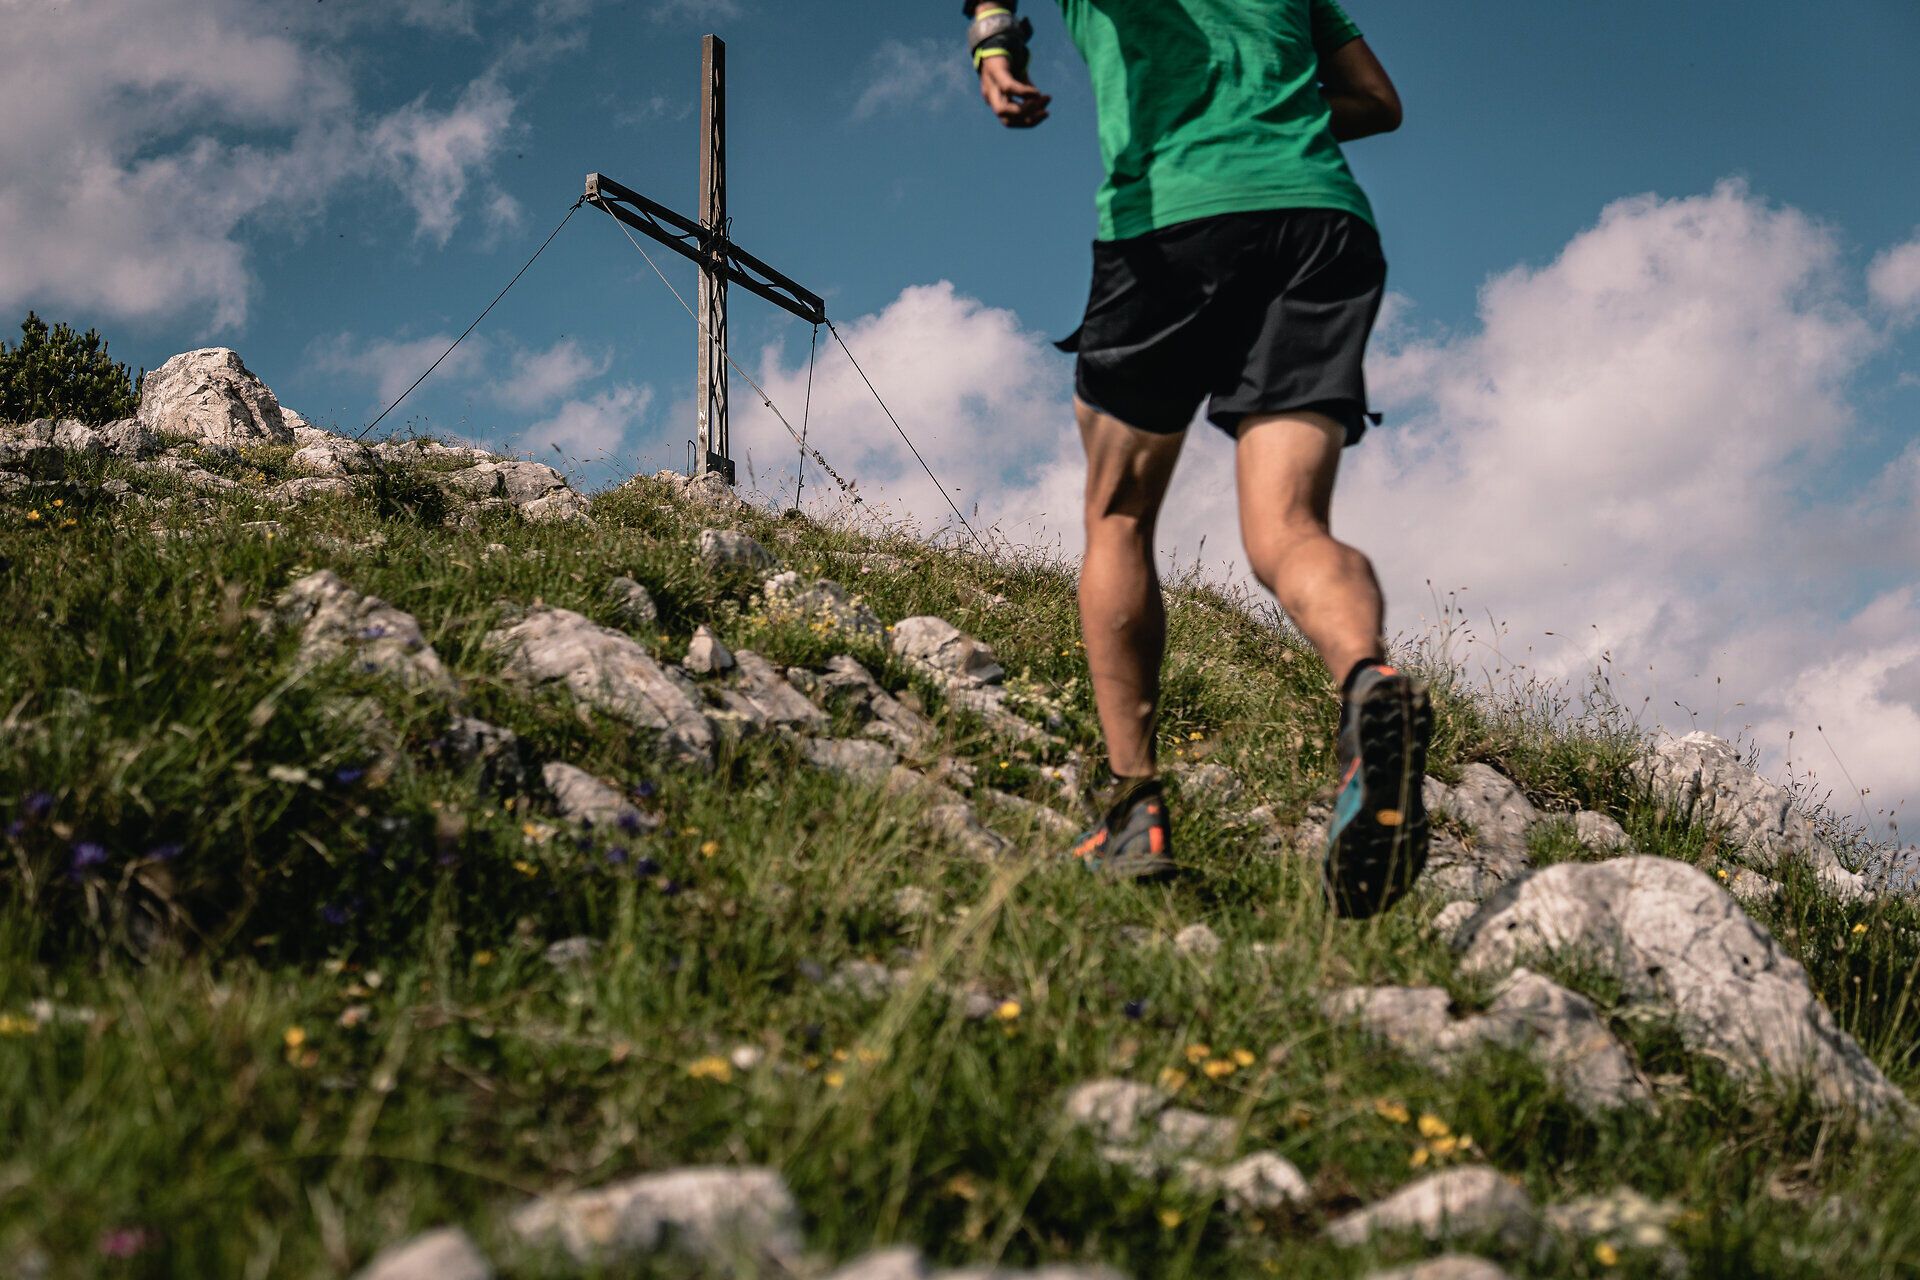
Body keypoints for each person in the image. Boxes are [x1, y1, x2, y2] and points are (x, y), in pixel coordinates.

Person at [963, 0, 1430, 917]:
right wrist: (1272, 111)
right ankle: (1367, 681)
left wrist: (992, 43)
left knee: (1120, 516)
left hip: (1171, 224)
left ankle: (1134, 808)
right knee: (1289, 528)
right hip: (1319, 221)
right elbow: (1377, 102)